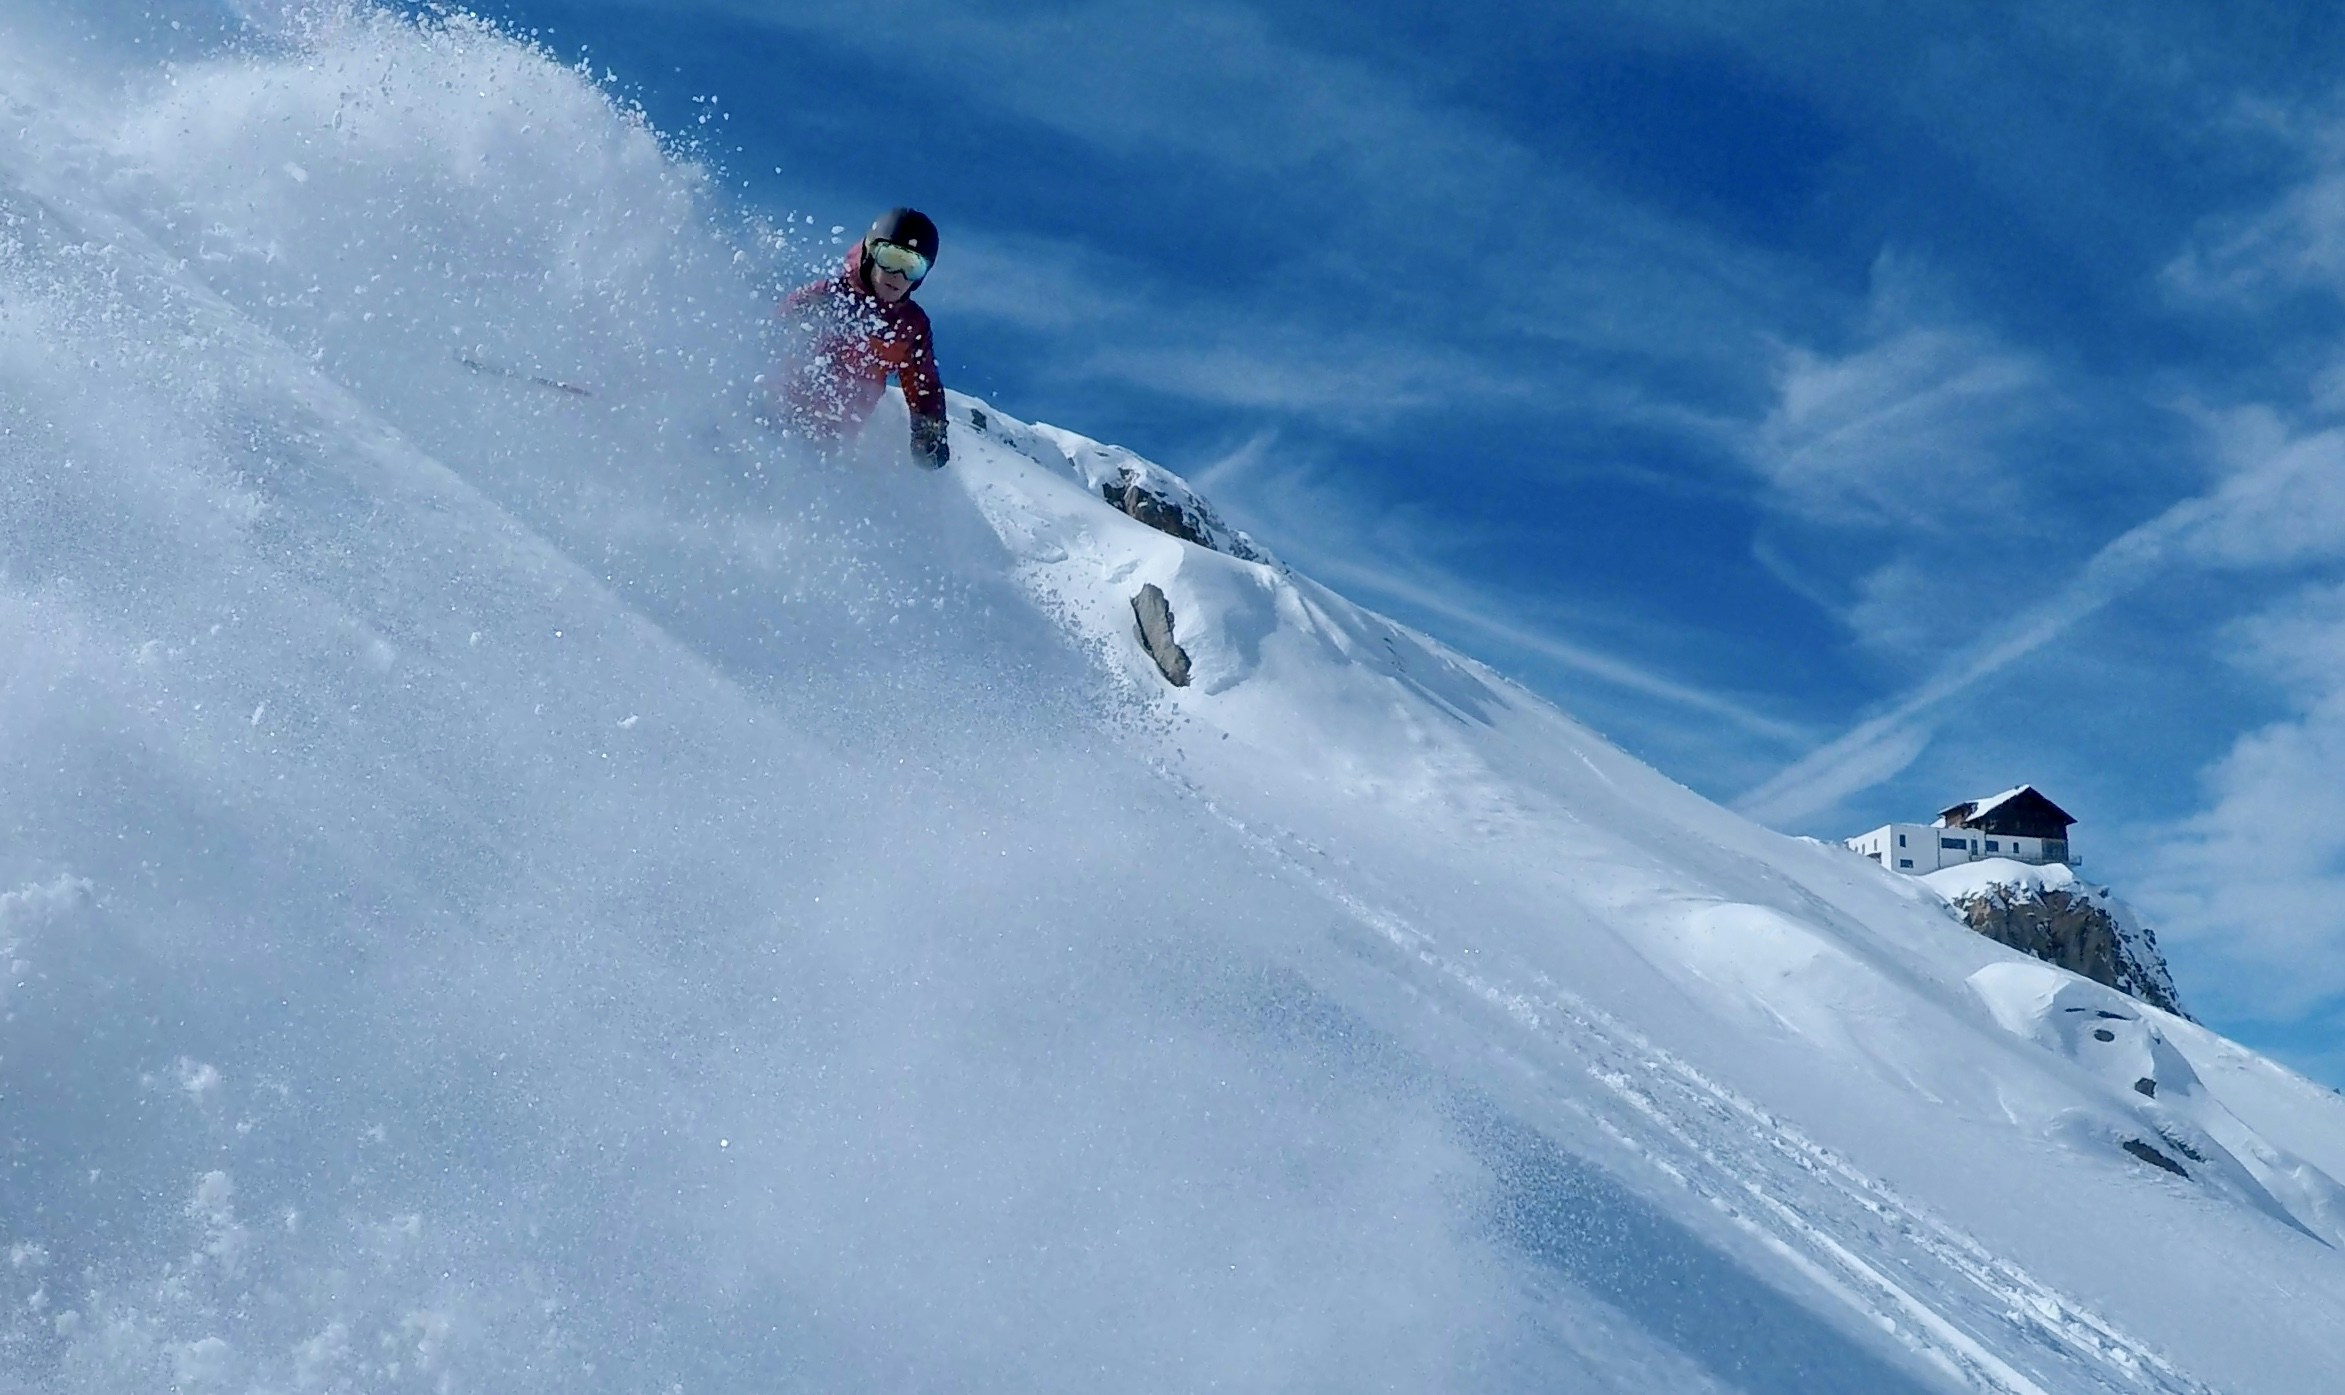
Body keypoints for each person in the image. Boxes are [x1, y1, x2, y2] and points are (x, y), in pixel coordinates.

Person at [772, 207, 949, 468]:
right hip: (775, 421)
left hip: (830, 447)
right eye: (891, 258)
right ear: (870, 252)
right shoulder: (824, 297)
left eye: (912, 267)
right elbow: (766, 338)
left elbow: (924, 384)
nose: (897, 275)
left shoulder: (910, 326)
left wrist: (929, 433)